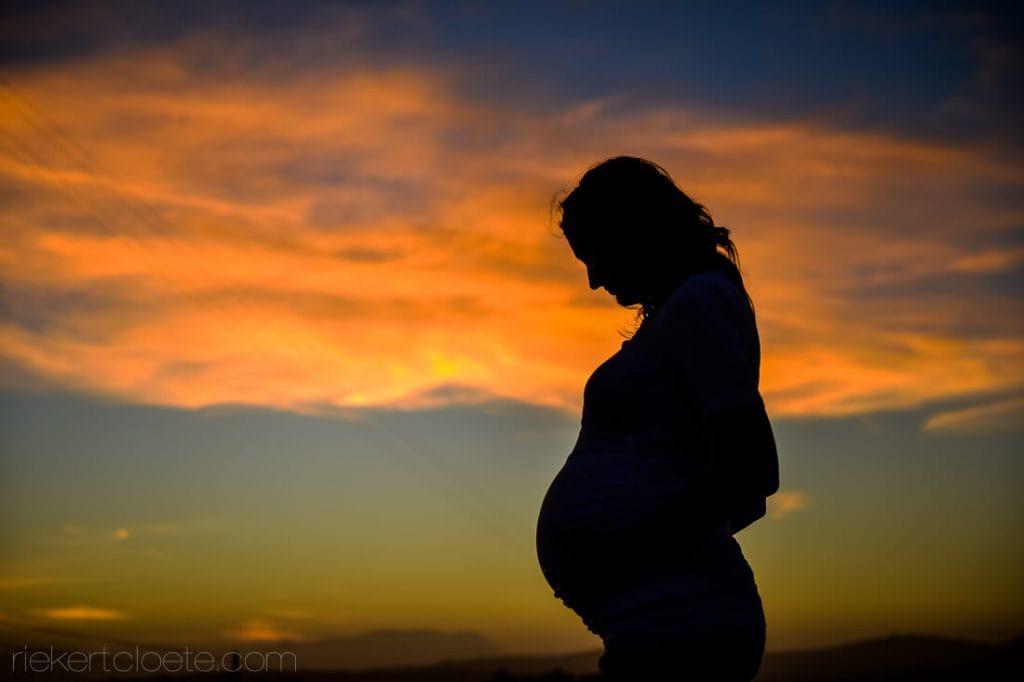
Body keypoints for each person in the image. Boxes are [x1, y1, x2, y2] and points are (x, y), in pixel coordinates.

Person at [535, 157, 779, 681]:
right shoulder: (687, 309)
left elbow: (752, 475)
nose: (594, 281)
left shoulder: (699, 303)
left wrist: (623, 548)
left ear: (634, 231)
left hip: (684, 621)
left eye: (595, 255)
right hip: (663, 616)